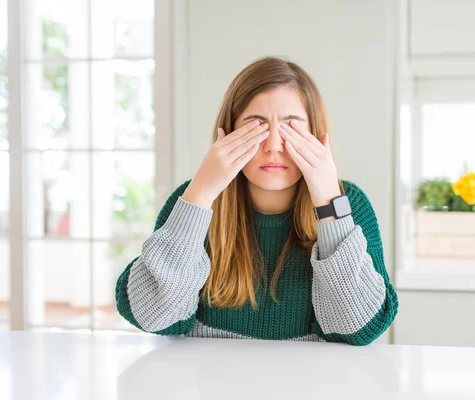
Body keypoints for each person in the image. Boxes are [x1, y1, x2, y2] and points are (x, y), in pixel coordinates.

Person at [115, 56, 398, 346]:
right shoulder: (193, 199)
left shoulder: (347, 202)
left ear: (315, 135)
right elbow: (152, 314)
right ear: (227, 133)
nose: (274, 145)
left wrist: (328, 201)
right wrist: (200, 192)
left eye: (291, 128)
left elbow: (359, 327)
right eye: (256, 126)